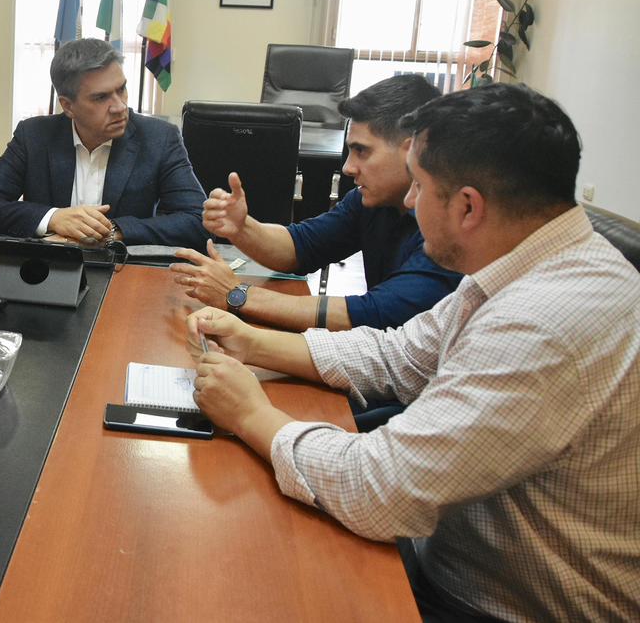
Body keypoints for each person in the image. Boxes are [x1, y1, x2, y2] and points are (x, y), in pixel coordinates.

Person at [187, 83, 639, 622]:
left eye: (419, 186)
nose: (408, 201)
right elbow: (399, 356)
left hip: (494, 605)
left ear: (468, 206)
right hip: (461, 558)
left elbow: (377, 490)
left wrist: (250, 413)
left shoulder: (543, 321)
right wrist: (251, 341)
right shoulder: (529, 266)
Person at [171, 74, 461, 333]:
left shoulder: (449, 228)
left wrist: (237, 293)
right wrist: (242, 228)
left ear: (413, 149)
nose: (348, 167)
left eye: (362, 151)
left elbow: (375, 313)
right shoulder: (369, 201)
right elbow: (302, 247)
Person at [0, 38, 206, 247]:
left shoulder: (159, 138)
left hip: (124, 271)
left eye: (121, 89)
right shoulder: (34, 135)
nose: (120, 107)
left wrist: (114, 231)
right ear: (68, 106)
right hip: (49, 269)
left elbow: (197, 220)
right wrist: (53, 218)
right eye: (101, 98)